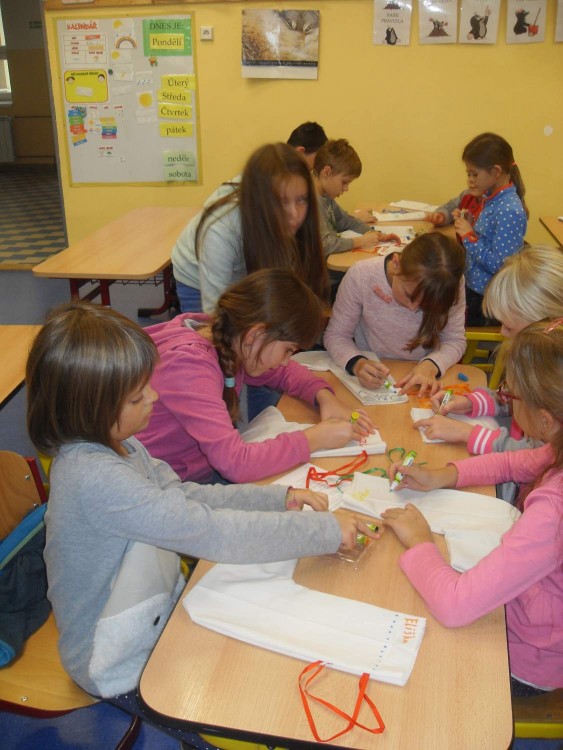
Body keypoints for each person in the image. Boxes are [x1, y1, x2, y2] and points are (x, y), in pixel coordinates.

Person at [26, 301, 377, 724]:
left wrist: (275, 499)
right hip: (113, 659)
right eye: (138, 395)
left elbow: (183, 495)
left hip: (152, 606)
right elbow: (208, 532)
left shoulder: (119, 443)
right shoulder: (96, 477)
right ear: (92, 407)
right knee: (261, 694)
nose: (154, 396)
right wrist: (323, 531)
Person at [381, 318, 563, 696]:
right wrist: (442, 475)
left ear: (545, 421)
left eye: (511, 395)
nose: (506, 398)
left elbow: (454, 606)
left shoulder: (554, 512)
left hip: (525, 657)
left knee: (399, 631)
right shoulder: (556, 448)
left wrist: (420, 542)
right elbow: (513, 463)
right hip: (532, 612)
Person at [137, 270, 374, 484]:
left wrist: (324, 398)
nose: (286, 360)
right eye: (288, 350)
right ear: (255, 334)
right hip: (169, 485)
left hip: (199, 470)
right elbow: (235, 463)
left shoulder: (231, 337)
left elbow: (284, 371)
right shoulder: (190, 367)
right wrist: (315, 438)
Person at [414, 246, 563, 456]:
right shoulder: (536, 354)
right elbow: (511, 399)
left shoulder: (554, 378)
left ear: (543, 327)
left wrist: (467, 434)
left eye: (509, 327)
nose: (502, 332)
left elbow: (540, 457)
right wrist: (470, 402)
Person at [172, 142, 328, 314]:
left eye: (301, 199)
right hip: (197, 279)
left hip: (248, 265)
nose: (294, 214)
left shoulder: (290, 211)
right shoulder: (221, 230)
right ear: (261, 201)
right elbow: (215, 314)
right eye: (282, 201)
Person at [324, 232, 467, 397]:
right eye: (409, 295)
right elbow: (337, 335)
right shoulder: (362, 275)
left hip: (422, 378)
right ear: (396, 263)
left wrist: (431, 365)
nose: (413, 308)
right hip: (372, 378)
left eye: (425, 305)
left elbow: (454, 341)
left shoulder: (450, 285)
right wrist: (357, 364)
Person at [452, 132, 528, 326]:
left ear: (496, 172)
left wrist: (469, 236)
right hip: (475, 290)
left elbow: (501, 265)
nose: (470, 180)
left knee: (474, 341)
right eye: (468, 174)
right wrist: (470, 225)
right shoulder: (492, 199)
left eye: (474, 174)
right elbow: (488, 241)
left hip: (488, 298)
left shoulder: (509, 210)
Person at [312, 139, 399, 257]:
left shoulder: (326, 195)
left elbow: (346, 221)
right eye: (344, 182)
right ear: (326, 172)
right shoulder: (309, 202)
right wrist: (360, 241)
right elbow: (324, 245)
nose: (346, 188)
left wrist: (376, 234)